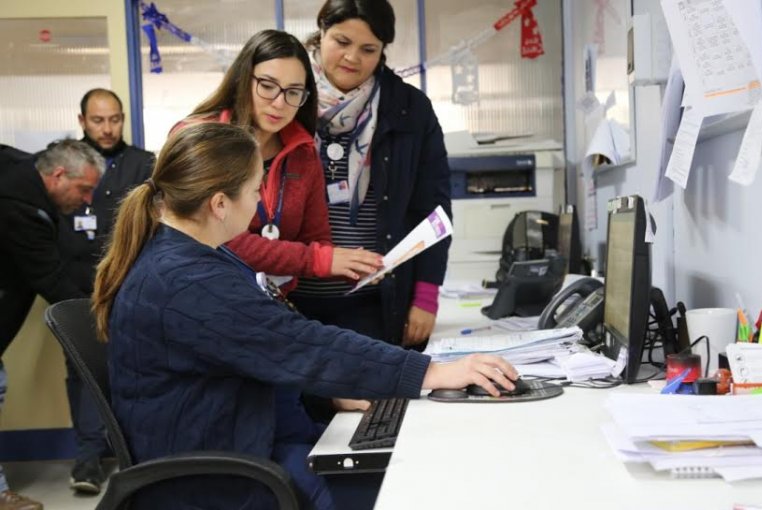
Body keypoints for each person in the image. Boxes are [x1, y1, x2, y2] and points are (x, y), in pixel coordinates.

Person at [92, 122, 517, 510]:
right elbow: (300, 343)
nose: (259, 204)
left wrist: (327, 396)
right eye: (256, 189)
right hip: (224, 477)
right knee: (412, 485)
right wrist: (432, 373)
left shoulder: (192, 259)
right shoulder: (187, 281)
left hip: (241, 438)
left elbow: (256, 349)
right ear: (220, 203)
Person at [291, 0, 452, 347]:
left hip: (373, 302)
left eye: (369, 49)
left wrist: (426, 296)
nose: (352, 58)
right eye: (342, 42)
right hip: (290, 296)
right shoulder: (286, 101)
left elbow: (433, 211)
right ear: (321, 34)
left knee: (365, 396)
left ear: (383, 51)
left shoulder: (410, 109)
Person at [176, 29, 383, 293]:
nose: (279, 103)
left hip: (267, 304)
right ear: (243, 79)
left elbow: (316, 240)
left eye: (293, 92)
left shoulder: (304, 152)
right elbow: (218, 237)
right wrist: (319, 260)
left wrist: (356, 266)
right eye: (267, 86)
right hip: (198, 296)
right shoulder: (198, 138)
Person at [55, 88, 156, 494]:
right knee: (83, 374)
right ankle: (88, 461)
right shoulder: (63, 162)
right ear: (82, 121)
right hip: (78, 288)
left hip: (131, 288)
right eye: (98, 120)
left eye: (115, 118)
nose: (108, 127)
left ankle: (142, 457)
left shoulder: (142, 164)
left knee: (137, 370)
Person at [0, 140, 105, 510]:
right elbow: (51, 281)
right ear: (58, 175)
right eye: (84, 189)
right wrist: (99, 316)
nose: (88, 199)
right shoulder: (24, 209)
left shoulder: (19, 168)